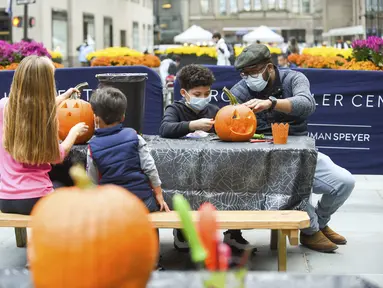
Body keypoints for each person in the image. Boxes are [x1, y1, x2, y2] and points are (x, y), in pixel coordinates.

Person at [228, 44, 355, 253]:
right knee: (290, 185)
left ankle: (318, 224)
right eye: (245, 73)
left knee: (344, 182)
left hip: (302, 153)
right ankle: (311, 231)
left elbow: (307, 104)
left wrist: (272, 103)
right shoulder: (239, 92)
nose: (249, 78)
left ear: (269, 67)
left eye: (254, 72)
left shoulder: (294, 79)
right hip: (265, 161)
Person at [0, 56, 89, 215]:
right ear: (46, 85)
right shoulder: (47, 120)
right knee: (69, 188)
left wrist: (63, 97)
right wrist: (73, 133)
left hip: (5, 199)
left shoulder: (4, 106)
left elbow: (27, 109)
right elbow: (57, 156)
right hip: (37, 198)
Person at [86, 87, 170, 214]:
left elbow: (91, 183)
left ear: (96, 118)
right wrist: (159, 195)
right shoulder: (135, 137)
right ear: (123, 117)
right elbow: (150, 168)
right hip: (142, 202)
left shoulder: (92, 147)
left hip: (113, 207)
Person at [159, 64, 218, 139]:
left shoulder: (214, 111)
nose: (203, 98)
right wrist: (192, 125)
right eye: (197, 94)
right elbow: (165, 129)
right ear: (183, 93)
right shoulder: (175, 109)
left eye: (207, 93)